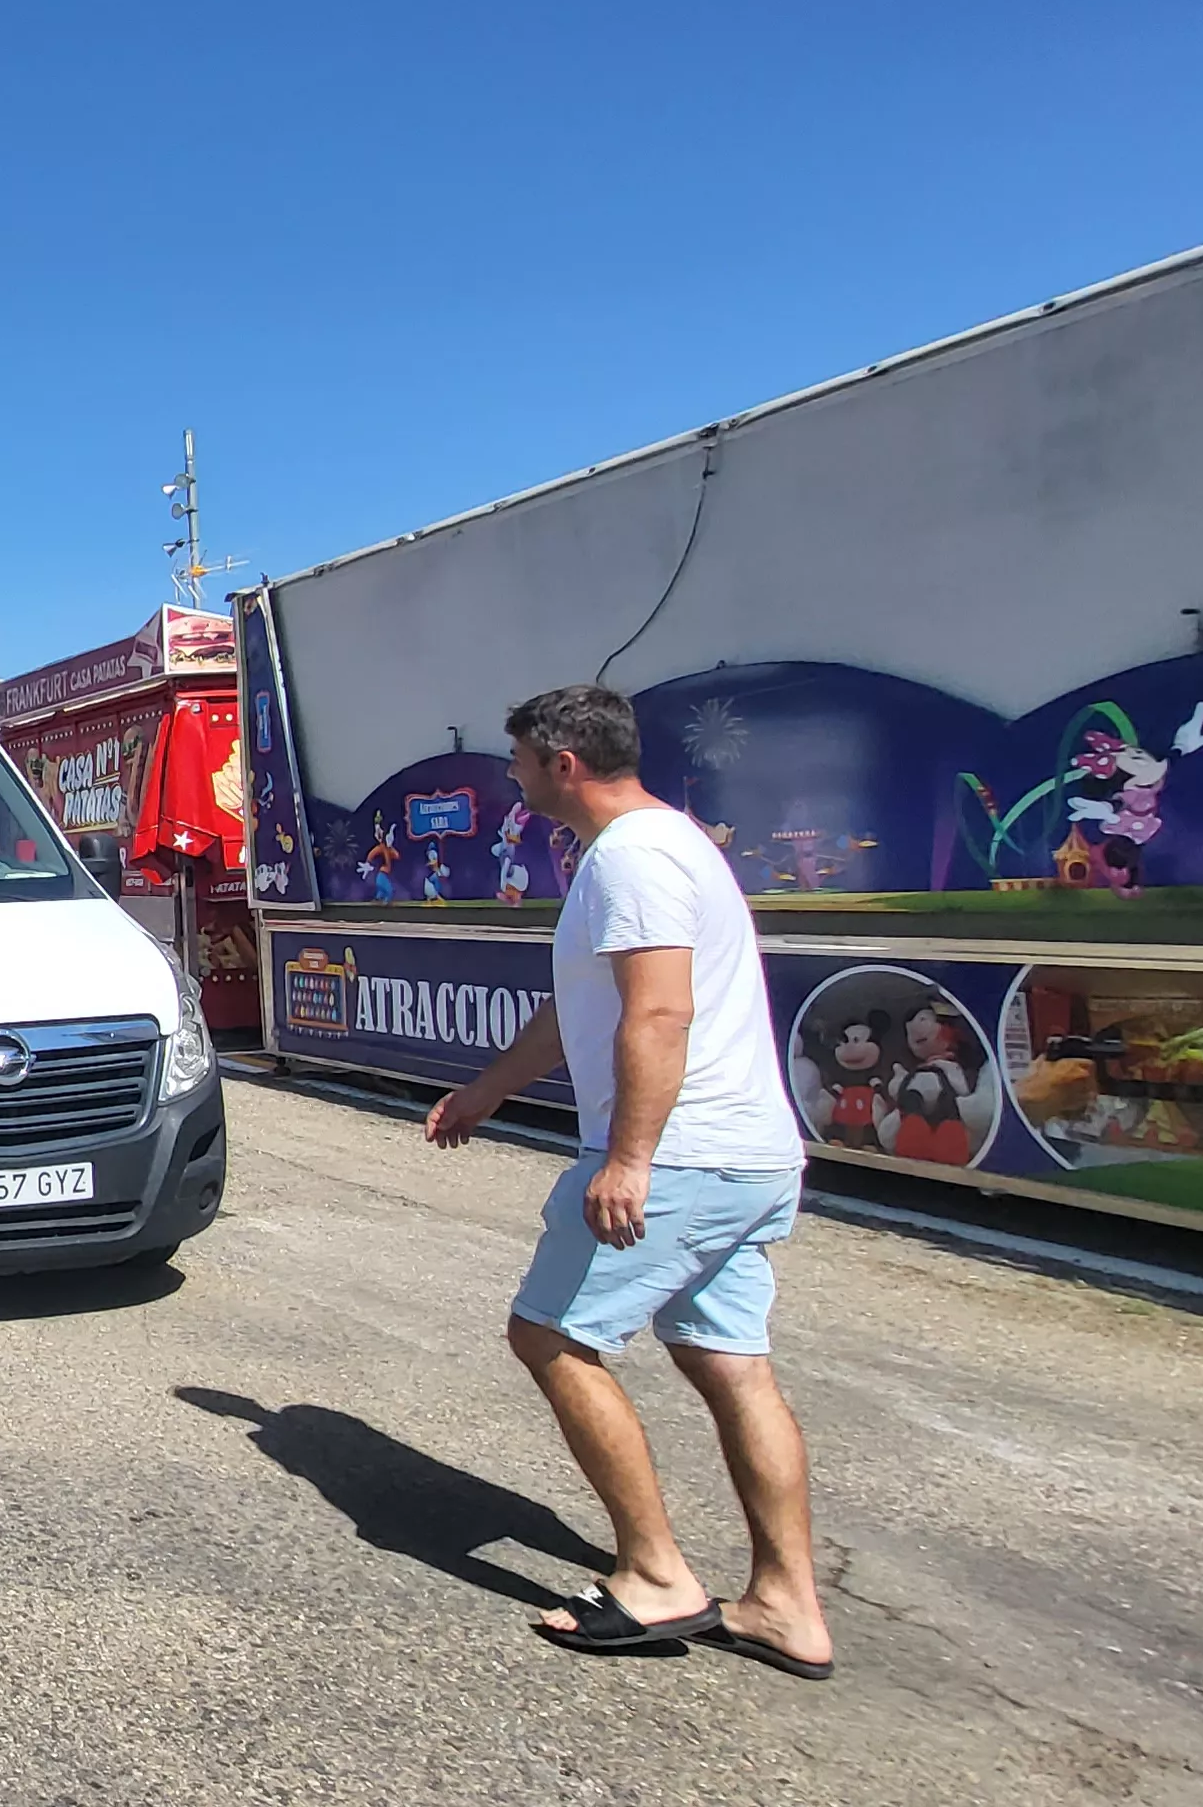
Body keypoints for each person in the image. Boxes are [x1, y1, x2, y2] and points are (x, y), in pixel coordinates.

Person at [424, 683, 837, 1681]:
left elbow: (657, 1013)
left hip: (683, 1155)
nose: (515, 779)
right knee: (730, 1363)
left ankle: (656, 1578)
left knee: (549, 1336)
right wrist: (485, 1092)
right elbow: (581, 1010)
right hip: (745, 1155)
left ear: (562, 763)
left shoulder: (633, 858)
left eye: (520, 762)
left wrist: (629, 1158)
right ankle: (786, 1606)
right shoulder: (666, 844)